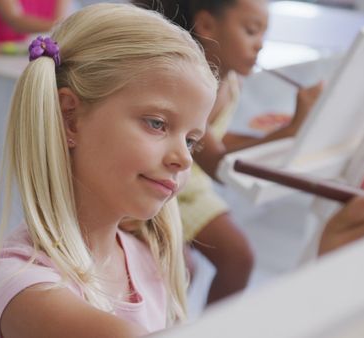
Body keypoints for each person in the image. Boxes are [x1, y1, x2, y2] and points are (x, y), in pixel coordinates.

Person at [0, 3, 364, 337]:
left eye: (192, 139)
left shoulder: (145, 254)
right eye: (157, 123)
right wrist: (325, 282)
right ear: (70, 119)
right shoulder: (31, 291)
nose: (184, 157)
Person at [133, 0, 327, 305]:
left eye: (264, 34)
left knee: (238, 258)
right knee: (188, 268)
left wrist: (279, 132)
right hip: (166, 183)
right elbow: (215, 162)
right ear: (208, 25)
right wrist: (291, 130)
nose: (260, 45)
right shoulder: (192, 82)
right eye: (251, 31)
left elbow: (214, 139)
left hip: (191, 185)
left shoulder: (229, 80)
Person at [0, 0, 72, 44]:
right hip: (1, 54)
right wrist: (65, 26)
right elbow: (14, 20)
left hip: (42, 55)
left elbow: (60, 20)